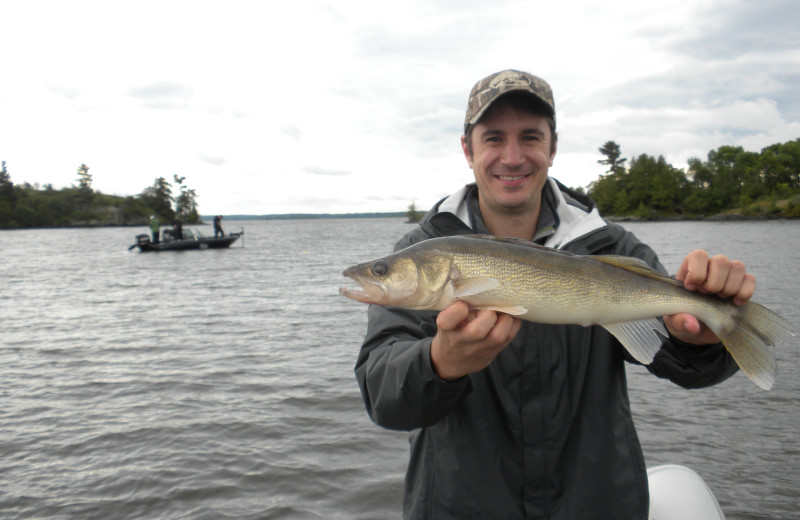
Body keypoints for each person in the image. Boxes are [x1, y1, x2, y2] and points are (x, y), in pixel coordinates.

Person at [354, 70, 754, 519]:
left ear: (552, 147)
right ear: (467, 149)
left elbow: (678, 363)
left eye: (530, 137)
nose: (512, 156)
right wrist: (440, 364)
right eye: (492, 139)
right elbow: (382, 394)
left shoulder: (610, 246)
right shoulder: (422, 250)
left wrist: (701, 340)